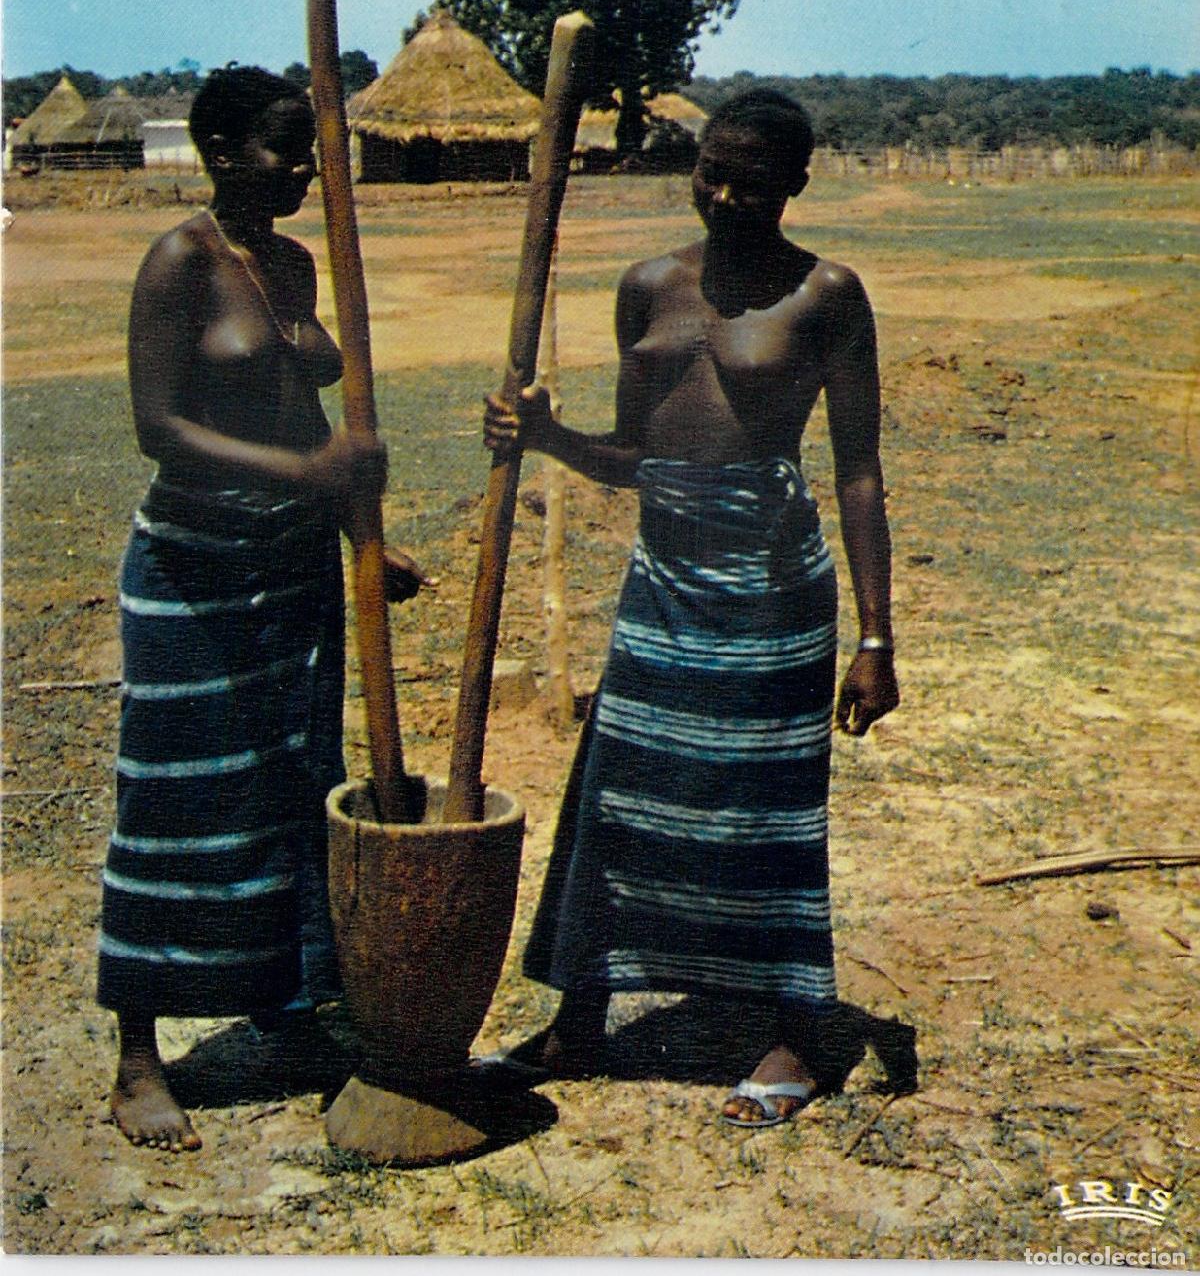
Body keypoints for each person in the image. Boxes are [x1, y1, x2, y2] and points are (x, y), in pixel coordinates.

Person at [482, 88, 899, 1127]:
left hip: (771, 587)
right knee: (620, 788)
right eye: (710, 170)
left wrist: (877, 637)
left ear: (796, 183)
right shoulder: (648, 287)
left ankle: (788, 1033)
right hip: (662, 578)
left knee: (762, 812)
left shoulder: (829, 296)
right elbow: (632, 459)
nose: (723, 194)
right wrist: (545, 436)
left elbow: (858, 472)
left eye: (752, 182)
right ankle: (581, 1022)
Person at [98, 65, 424, 1152]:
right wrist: (317, 478)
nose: (305, 170)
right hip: (195, 569)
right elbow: (157, 428)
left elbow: (300, 412)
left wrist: (362, 541)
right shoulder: (181, 260)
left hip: (293, 571)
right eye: (287, 149)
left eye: (312, 150)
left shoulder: (291, 262)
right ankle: (139, 1056)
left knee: (291, 787)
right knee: (173, 791)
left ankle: (281, 1000)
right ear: (223, 151)